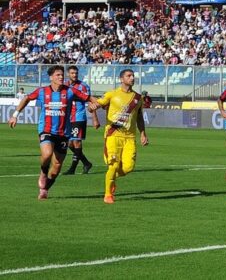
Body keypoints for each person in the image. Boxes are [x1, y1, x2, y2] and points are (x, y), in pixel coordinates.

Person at [7, 65, 91, 199]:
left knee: (57, 165)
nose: (61, 77)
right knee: (47, 154)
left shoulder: (70, 91)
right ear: (51, 77)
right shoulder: (42, 91)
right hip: (46, 129)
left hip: (63, 132)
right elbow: (27, 98)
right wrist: (15, 114)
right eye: (58, 75)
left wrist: (98, 104)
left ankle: (45, 189)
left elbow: (88, 98)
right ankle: (43, 173)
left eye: (62, 75)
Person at [87, 68, 149, 203]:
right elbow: (96, 104)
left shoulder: (138, 98)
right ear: (122, 79)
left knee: (128, 168)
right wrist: (92, 108)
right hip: (113, 135)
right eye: (129, 76)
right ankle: (108, 195)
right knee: (113, 165)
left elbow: (139, 118)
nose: (132, 78)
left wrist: (143, 134)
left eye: (133, 76)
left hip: (130, 137)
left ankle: (111, 179)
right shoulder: (111, 94)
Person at [63, 65, 100, 175]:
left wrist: (95, 119)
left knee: (76, 142)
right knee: (69, 144)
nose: (74, 75)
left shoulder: (83, 86)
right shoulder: (64, 86)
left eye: (76, 73)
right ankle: (86, 163)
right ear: (68, 74)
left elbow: (90, 102)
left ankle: (72, 169)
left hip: (78, 117)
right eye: (72, 73)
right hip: (67, 118)